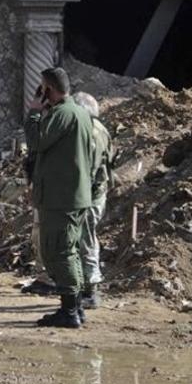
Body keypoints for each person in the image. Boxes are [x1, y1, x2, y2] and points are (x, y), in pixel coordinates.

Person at [25, 67, 94, 328]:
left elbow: (36, 142)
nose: (41, 93)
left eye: (42, 89)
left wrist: (33, 112)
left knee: (57, 252)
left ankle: (70, 311)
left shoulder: (62, 113)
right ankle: (74, 307)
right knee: (69, 251)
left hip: (60, 197)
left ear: (48, 90)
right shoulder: (81, 112)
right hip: (74, 195)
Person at [72, 91, 113, 310]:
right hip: (95, 193)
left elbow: (88, 169)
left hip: (88, 196)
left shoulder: (91, 133)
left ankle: (91, 288)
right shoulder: (102, 130)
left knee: (86, 240)